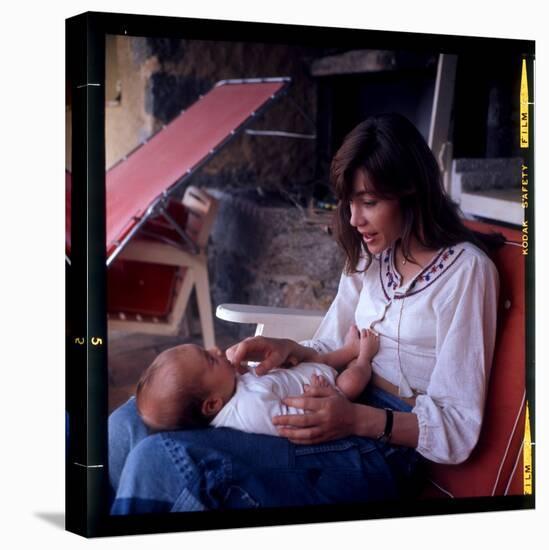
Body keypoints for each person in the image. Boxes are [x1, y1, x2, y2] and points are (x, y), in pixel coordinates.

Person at [108, 113, 501, 514]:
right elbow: (333, 342)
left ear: (412, 193)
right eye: (349, 202)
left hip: (382, 447)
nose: (353, 220)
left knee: (161, 460)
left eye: (369, 203)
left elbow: (458, 426)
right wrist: (292, 349)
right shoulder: (374, 253)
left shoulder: (466, 273)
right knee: (127, 425)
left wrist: (354, 419)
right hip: (324, 396)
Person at [134, 327, 379, 436]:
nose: (216, 349)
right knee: (350, 384)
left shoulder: (226, 390)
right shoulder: (249, 410)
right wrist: (317, 396)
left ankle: (348, 350)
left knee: (319, 358)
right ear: (212, 405)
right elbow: (292, 423)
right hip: (327, 391)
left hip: (307, 369)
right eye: (210, 359)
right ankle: (363, 359)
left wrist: (239, 370)